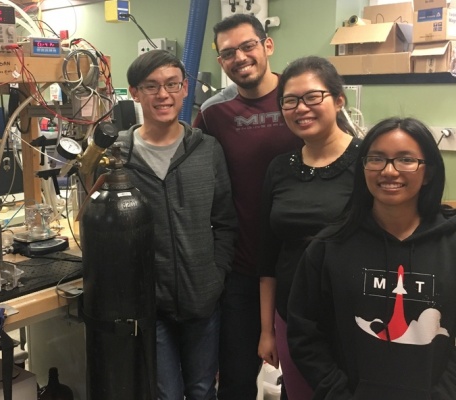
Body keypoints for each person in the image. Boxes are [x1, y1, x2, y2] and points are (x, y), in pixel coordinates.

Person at [287, 116, 456, 400]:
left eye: (406, 160)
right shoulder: (329, 246)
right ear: (363, 168)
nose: (389, 171)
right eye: (377, 159)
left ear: (428, 173)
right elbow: (305, 333)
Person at [193, 14, 303, 399]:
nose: (239, 57)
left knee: (305, 380)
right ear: (220, 61)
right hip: (242, 271)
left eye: (247, 46)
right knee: (237, 380)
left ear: (267, 45)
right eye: (228, 52)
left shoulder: (301, 102)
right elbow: (187, 171)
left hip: (300, 269)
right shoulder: (213, 115)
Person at [120, 49, 238, 399]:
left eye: (172, 84)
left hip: (202, 298)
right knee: (166, 394)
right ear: (134, 92)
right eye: (152, 86)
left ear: (185, 88)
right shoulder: (118, 157)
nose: (163, 95)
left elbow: (225, 222)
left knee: (202, 390)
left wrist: (215, 277)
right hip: (148, 304)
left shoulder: (207, 150)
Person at [258, 56, 361, 400]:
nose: (301, 108)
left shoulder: (368, 163)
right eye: (290, 100)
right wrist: (267, 330)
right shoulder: (279, 169)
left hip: (355, 319)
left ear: (338, 100)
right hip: (292, 318)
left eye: (313, 97)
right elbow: (268, 255)